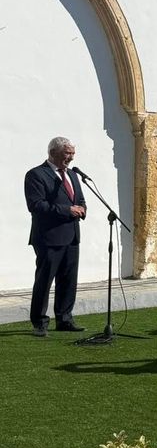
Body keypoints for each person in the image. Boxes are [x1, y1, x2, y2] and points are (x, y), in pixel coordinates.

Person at [26, 137, 87, 336]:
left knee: (68, 280)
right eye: (67, 153)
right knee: (44, 281)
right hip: (49, 238)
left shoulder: (73, 175)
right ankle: (39, 323)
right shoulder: (36, 174)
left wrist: (82, 209)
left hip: (72, 236)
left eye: (73, 153)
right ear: (53, 152)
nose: (71, 157)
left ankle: (65, 319)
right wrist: (67, 210)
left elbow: (80, 199)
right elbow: (36, 205)